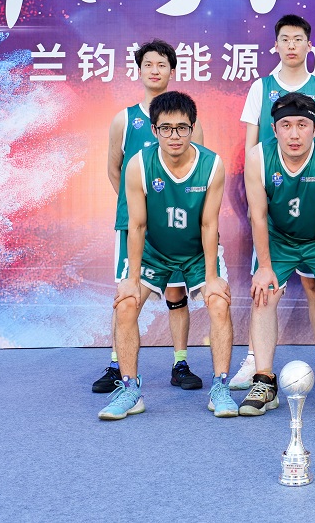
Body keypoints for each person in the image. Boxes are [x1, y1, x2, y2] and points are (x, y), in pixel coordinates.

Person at [98, 91, 236, 420]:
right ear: (154, 129)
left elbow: (209, 223)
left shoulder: (212, 165)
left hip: (196, 251)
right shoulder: (138, 165)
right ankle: (130, 390)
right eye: (166, 128)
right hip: (154, 252)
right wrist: (131, 280)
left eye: (182, 128)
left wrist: (212, 277)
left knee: (219, 301)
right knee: (126, 304)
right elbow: (137, 224)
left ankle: (220, 387)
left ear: (192, 128)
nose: (175, 136)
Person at [231, 14, 315, 392]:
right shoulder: (260, 88)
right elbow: (250, 145)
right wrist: (252, 193)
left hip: (310, 200)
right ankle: (254, 361)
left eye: (298, 39)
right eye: (285, 39)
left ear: (309, 45)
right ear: (275, 45)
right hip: (272, 197)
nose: (291, 45)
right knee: (264, 287)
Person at [93, 40, 205, 395]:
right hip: (134, 225)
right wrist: (137, 208)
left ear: (172, 71)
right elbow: (114, 169)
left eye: (162, 65)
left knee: (176, 292)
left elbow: (200, 172)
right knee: (127, 293)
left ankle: (180, 363)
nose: (155, 71)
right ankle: (117, 365)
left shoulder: (188, 122)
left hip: (176, 225)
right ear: (139, 71)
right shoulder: (124, 119)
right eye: (148, 65)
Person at [242, 92, 315, 416]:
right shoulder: (258, 158)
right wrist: (265, 267)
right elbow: (258, 217)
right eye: (286, 125)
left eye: (302, 125)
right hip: (278, 237)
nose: (294, 134)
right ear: (274, 129)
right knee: (264, 294)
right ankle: (264, 381)